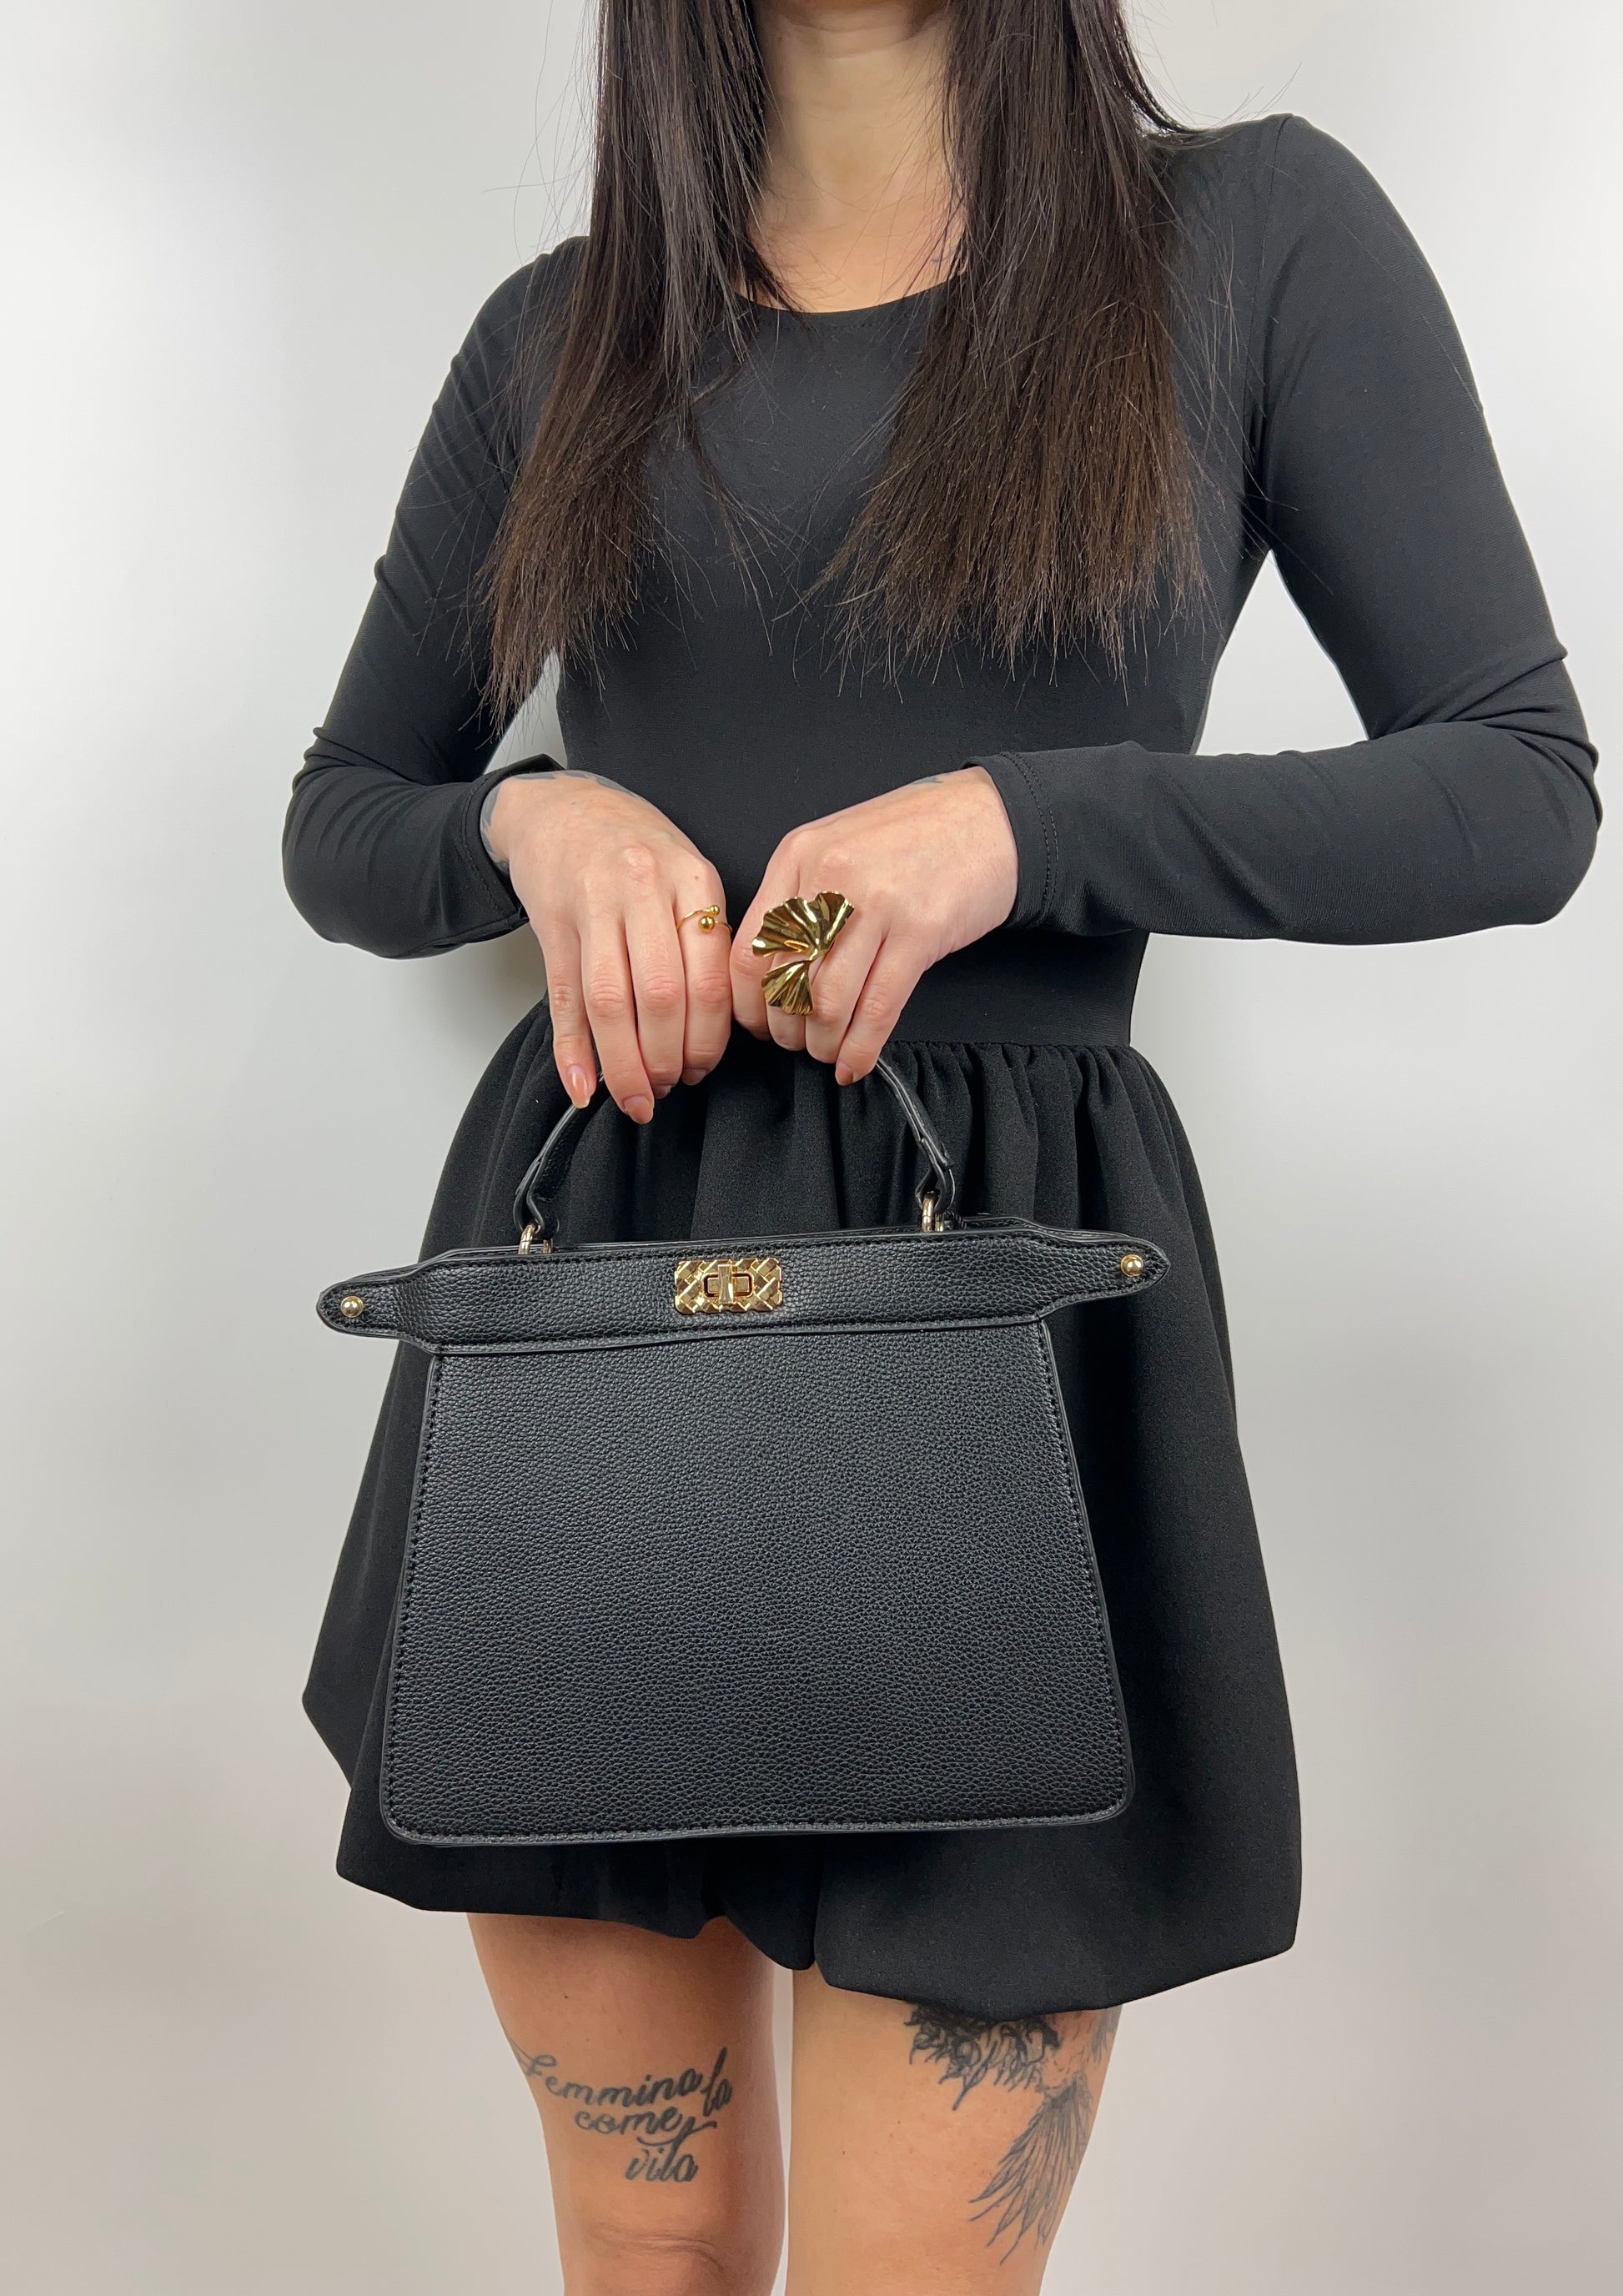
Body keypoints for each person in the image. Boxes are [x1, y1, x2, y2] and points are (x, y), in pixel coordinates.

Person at [282, 1, 1599, 2287]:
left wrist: (1022, 825)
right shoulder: (560, 338)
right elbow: (344, 821)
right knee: (647, 2253)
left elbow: (1512, 786)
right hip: (600, 1325)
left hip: (1006, 1338)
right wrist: (532, 819)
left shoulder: (1250, 237)